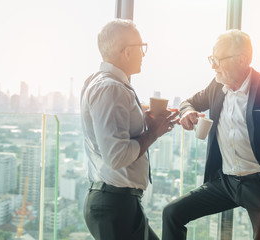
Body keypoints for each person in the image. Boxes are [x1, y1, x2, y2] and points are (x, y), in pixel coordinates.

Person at [162, 29, 260, 240]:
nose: (212, 66)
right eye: (211, 59)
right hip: (226, 182)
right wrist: (188, 111)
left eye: (218, 59)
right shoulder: (217, 86)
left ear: (242, 60)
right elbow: (187, 102)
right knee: (172, 213)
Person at [80, 19, 179, 240]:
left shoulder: (105, 83)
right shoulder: (110, 88)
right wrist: (153, 132)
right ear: (126, 52)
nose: (144, 54)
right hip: (115, 204)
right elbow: (117, 156)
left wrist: (141, 118)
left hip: (117, 202)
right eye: (141, 47)